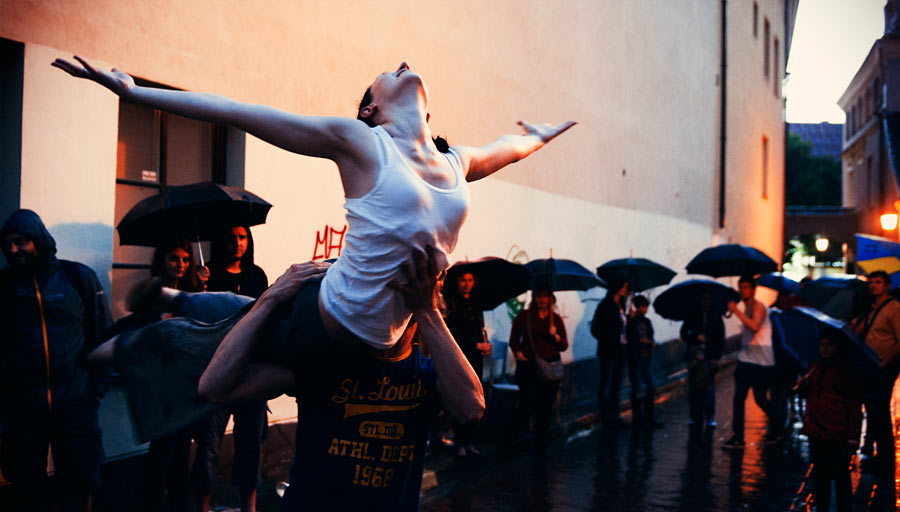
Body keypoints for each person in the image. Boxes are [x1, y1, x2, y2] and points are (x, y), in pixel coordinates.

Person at [53, 56, 575, 357]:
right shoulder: (361, 142)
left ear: (429, 112)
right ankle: (143, 336)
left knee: (246, 317)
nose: (403, 64)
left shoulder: (455, 162)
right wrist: (137, 94)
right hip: (334, 314)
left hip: (387, 337)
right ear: (371, 108)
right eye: (389, 70)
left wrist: (538, 138)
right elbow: (239, 112)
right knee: (232, 333)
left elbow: (506, 149)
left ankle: (173, 299)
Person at [196, 247, 484, 512]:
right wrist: (270, 299)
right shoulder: (326, 362)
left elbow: (471, 408)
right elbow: (215, 387)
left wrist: (427, 309)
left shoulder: (425, 375)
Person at [0, 209, 116, 512]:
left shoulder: (76, 277)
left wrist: (96, 389)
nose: (14, 250)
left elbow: (102, 335)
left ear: (39, 240)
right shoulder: (4, 287)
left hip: (75, 403)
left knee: (81, 483)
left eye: (21, 242)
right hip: (24, 409)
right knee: (26, 490)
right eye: (7, 245)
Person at [191, 224, 272, 512]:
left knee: (251, 441)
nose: (238, 243)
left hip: (250, 369)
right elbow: (195, 317)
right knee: (209, 444)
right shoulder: (207, 275)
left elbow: (267, 314)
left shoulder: (256, 275)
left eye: (242, 237)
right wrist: (198, 287)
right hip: (217, 367)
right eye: (232, 237)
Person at [133, 238, 208, 512]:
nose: (180, 265)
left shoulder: (191, 296)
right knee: (160, 459)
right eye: (173, 258)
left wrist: (202, 296)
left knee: (182, 458)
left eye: (185, 259)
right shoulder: (152, 295)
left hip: (186, 388)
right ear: (161, 260)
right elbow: (142, 337)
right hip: (161, 390)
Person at [795, 330, 862, 512]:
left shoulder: (846, 372)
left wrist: (853, 436)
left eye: (829, 345)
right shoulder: (815, 367)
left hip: (837, 430)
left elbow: (853, 406)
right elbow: (809, 395)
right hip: (816, 429)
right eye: (821, 344)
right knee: (820, 473)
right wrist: (802, 386)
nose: (824, 349)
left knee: (840, 475)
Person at [507, 285, 569, 456]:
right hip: (529, 367)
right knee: (527, 403)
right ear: (534, 298)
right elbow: (513, 339)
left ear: (550, 298)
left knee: (546, 408)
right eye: (539, 296)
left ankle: (541, 445)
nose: (542, 300)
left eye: (545, 296)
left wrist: (555, 336)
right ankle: (509, 436)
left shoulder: (555, 319)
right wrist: (518, 352)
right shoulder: (525, 316)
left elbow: (564, 345)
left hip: (549, 368)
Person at [851, 270, 900, 471]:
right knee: (873, 410)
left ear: (887, 285)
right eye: (871, 282)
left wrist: (886, 362)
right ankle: (877, 454)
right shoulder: (871, 309)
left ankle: (885, 458)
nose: (873, 286)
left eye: (878, 282)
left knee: (879, 411)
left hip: (885, 366)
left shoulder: (894, 308)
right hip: (871, 365)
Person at [723, 276, 780, 448]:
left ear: (753, 290)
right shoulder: (746, 307)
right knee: (739, 398)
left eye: (746, 287)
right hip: (746, 360)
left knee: (760, 399)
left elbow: (754, 326)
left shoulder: (758, 307)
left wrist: (736, 311)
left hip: (761, 362)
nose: (742, 291)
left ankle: (778, 425)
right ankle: (738, 437)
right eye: (741, 287)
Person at [443, 270, 491, 460]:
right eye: (463, 280)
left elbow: (479, 330)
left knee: (476, 398)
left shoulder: (476, 303)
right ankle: (460, 442)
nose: (466, 284)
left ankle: (470, 441)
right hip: (462, 357)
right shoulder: (453, 304)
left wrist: (485, 344)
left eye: (470, 280)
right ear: (457, 282)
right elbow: (452, 336)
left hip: (477, 357)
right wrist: (474, 345)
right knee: (462, 397)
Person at [680, 291, 724, 428]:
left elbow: (720, 337)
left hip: (710, 355)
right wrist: (695, 337)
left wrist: (717, 357)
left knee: (709, 387)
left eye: (708, 299)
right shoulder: (692, 315)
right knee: (694, 388)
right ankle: (695, 416)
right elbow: (684, 333)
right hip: (695, 355)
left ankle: (710, 416)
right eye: (704, 298)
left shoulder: (716, 316)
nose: (706, 302)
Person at [591, 276, 630, 428]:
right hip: (608, 351)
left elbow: (623, 327)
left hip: (621, 350)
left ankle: (615, 416)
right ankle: (606, 418)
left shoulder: (622, 305)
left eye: (626, 287)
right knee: (606, 384)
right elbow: (595, 328)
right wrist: (608, 338)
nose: (625, 289)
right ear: (616, 287)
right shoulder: (605, 305)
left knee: (616, 385)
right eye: (623, 286)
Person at [626, 295, 662, 427]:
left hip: (646, 357)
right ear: (638, 307)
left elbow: (651, 335)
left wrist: (650, 342)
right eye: (643, 307)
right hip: (635, 359)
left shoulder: (647, 322)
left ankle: (649, 416)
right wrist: (640, 341)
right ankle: (637, 418)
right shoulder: (630, 321)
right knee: (637, 388)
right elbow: (628, 339)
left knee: (649, 387)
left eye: (646, 307)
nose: (645, 309)